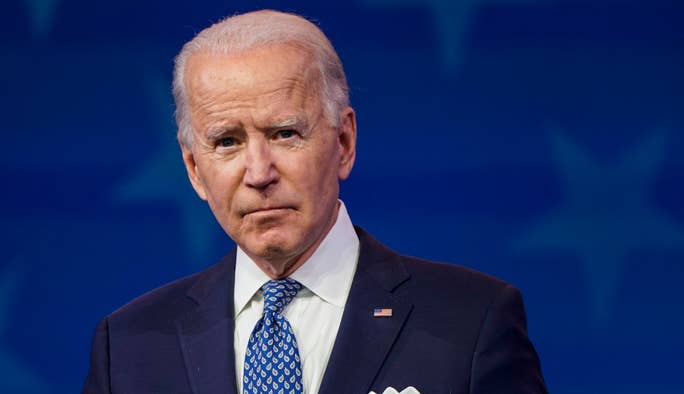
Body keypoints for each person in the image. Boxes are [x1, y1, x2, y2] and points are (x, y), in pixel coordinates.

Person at [83, 9, 547, 394]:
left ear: (343, 142)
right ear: (193, 170)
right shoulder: (126, 347)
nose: (259, 173)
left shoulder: (471, 323)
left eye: (285, 134)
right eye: (226, 142)